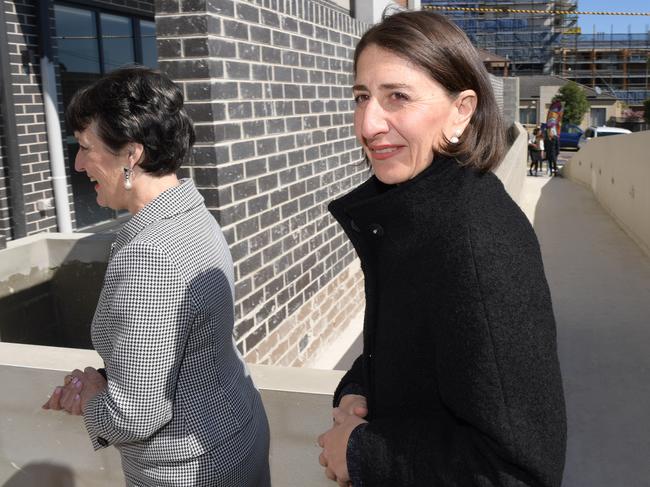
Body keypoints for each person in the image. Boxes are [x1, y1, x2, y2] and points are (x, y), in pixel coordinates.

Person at [317, 11, 566, 487]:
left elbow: (517, 472)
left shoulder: (473, 243)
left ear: (462, 110)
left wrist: (362, 452)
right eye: (361, 97)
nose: (368, 124)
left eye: (398, 97)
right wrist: (358, 388)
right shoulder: (418, 215)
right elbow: (420, 352)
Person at [42, 66, 270, 487]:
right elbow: (179, 348)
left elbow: (135, 415)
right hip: (235, 431)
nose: (77, 163)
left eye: (85, 147)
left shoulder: (149, 255)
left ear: (131, 154)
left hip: (188, 471)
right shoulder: (189, 213)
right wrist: (112, 377)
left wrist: (93, 398)